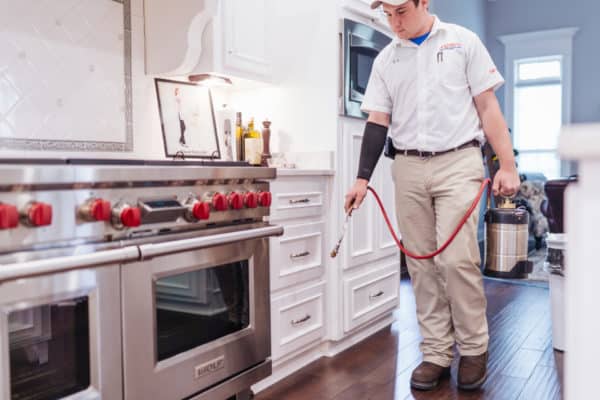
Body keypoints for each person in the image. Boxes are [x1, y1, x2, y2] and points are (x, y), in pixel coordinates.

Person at [344, 0, 521, 392]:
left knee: (456, 259)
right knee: (419, 264)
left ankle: (474, 347)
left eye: (402, 11)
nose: (394, 22)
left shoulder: (463, 42)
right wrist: (361, 179)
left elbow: (488, 108)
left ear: (425, 3)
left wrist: (505, 164)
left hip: (458, 161)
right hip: (407, 167)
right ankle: (437, 352)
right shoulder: (387, 60)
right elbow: (377, 122)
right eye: (387, 15)